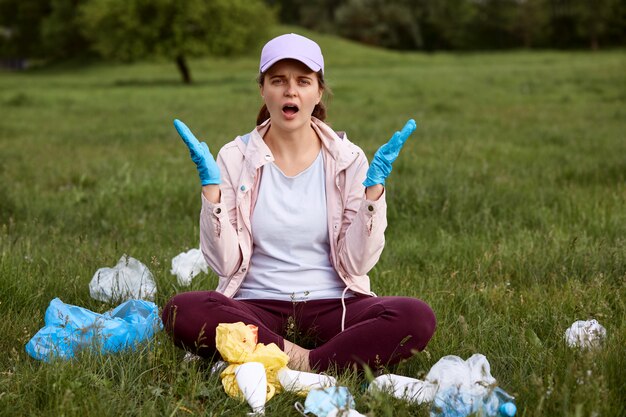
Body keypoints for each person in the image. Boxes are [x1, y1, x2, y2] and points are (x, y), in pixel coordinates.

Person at [162, 33, 436, 372]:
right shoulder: (233, 158)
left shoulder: (349, 160)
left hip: (336, 305)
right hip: (255, 307)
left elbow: (358, 263)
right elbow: (225, 265)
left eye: (303, 81)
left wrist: (373, 196)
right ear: (263, 89)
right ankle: (321, 363)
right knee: (182, 310)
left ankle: (292, 362)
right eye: (278, 80)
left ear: (318, 91)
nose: (290, 90)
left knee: (415, 317)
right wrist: (212, 195)